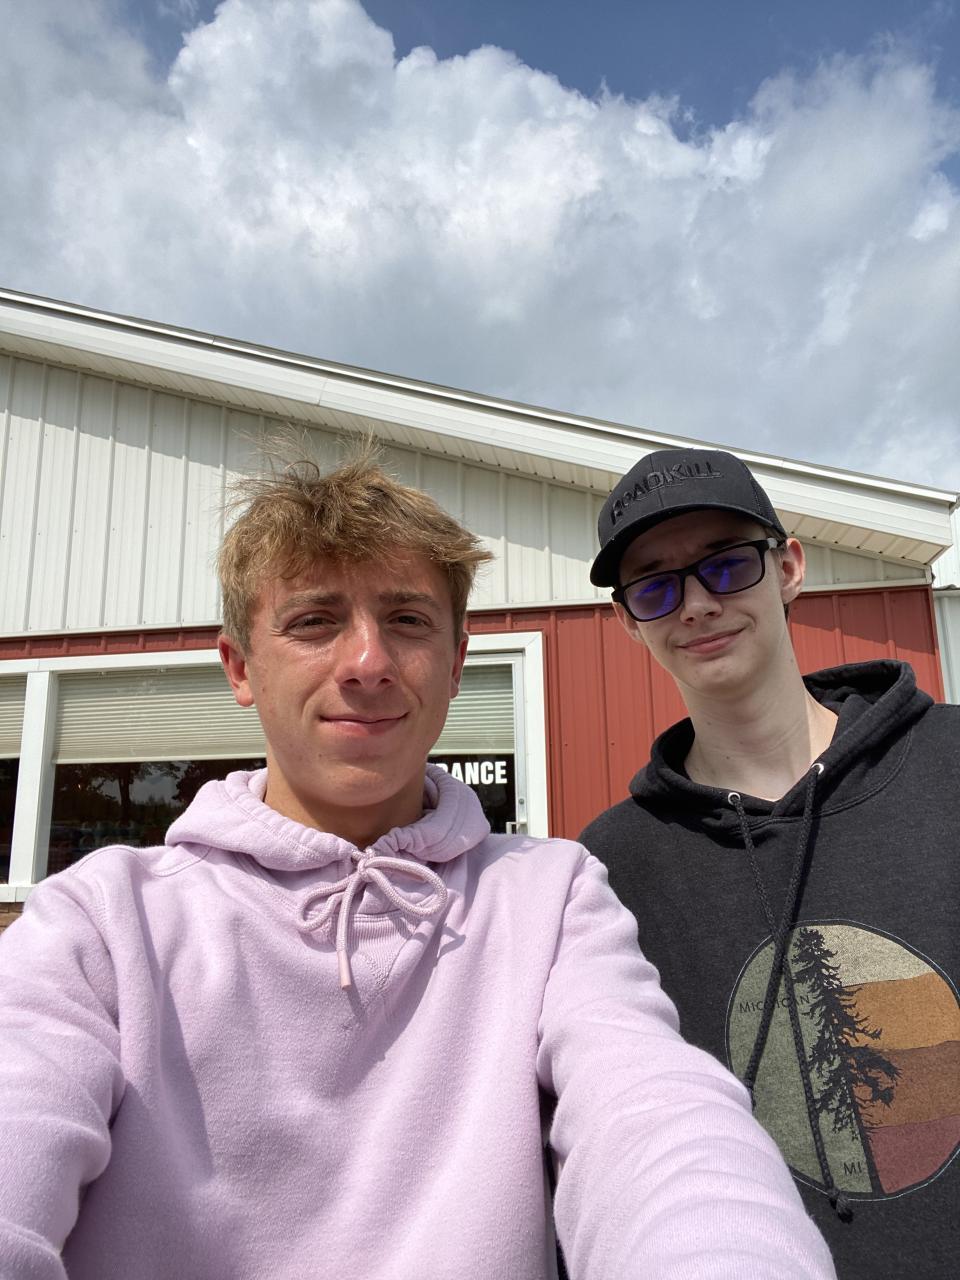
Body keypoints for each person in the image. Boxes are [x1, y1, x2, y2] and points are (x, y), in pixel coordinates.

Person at [0, 449, 835, 1280]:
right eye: (314, 621)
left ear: (457, 661)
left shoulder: (550, 897)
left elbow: (653, 1113)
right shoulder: (101, 924)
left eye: (406, 620)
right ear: (240, 668)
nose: (367, 662)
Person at [580, 447, 960, 1280]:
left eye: (725, 564)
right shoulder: (605, 872)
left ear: (788, 568)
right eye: (655, 587)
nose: (697, 604)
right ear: (629, 622)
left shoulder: (952, 763)